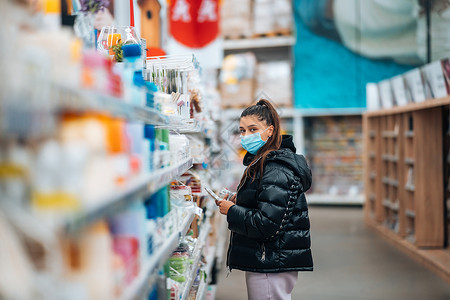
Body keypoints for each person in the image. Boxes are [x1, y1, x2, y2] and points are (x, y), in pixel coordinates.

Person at [217, 99, 313, 300]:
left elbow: (267, 224)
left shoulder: (275, 168)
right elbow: (268, 205)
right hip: (270, 258)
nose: (246, 136)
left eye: (253, 129)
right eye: (242, 131)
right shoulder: (264, 162)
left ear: (270, 130)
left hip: (270, 261)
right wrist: (239, 201)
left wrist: (232, 211)